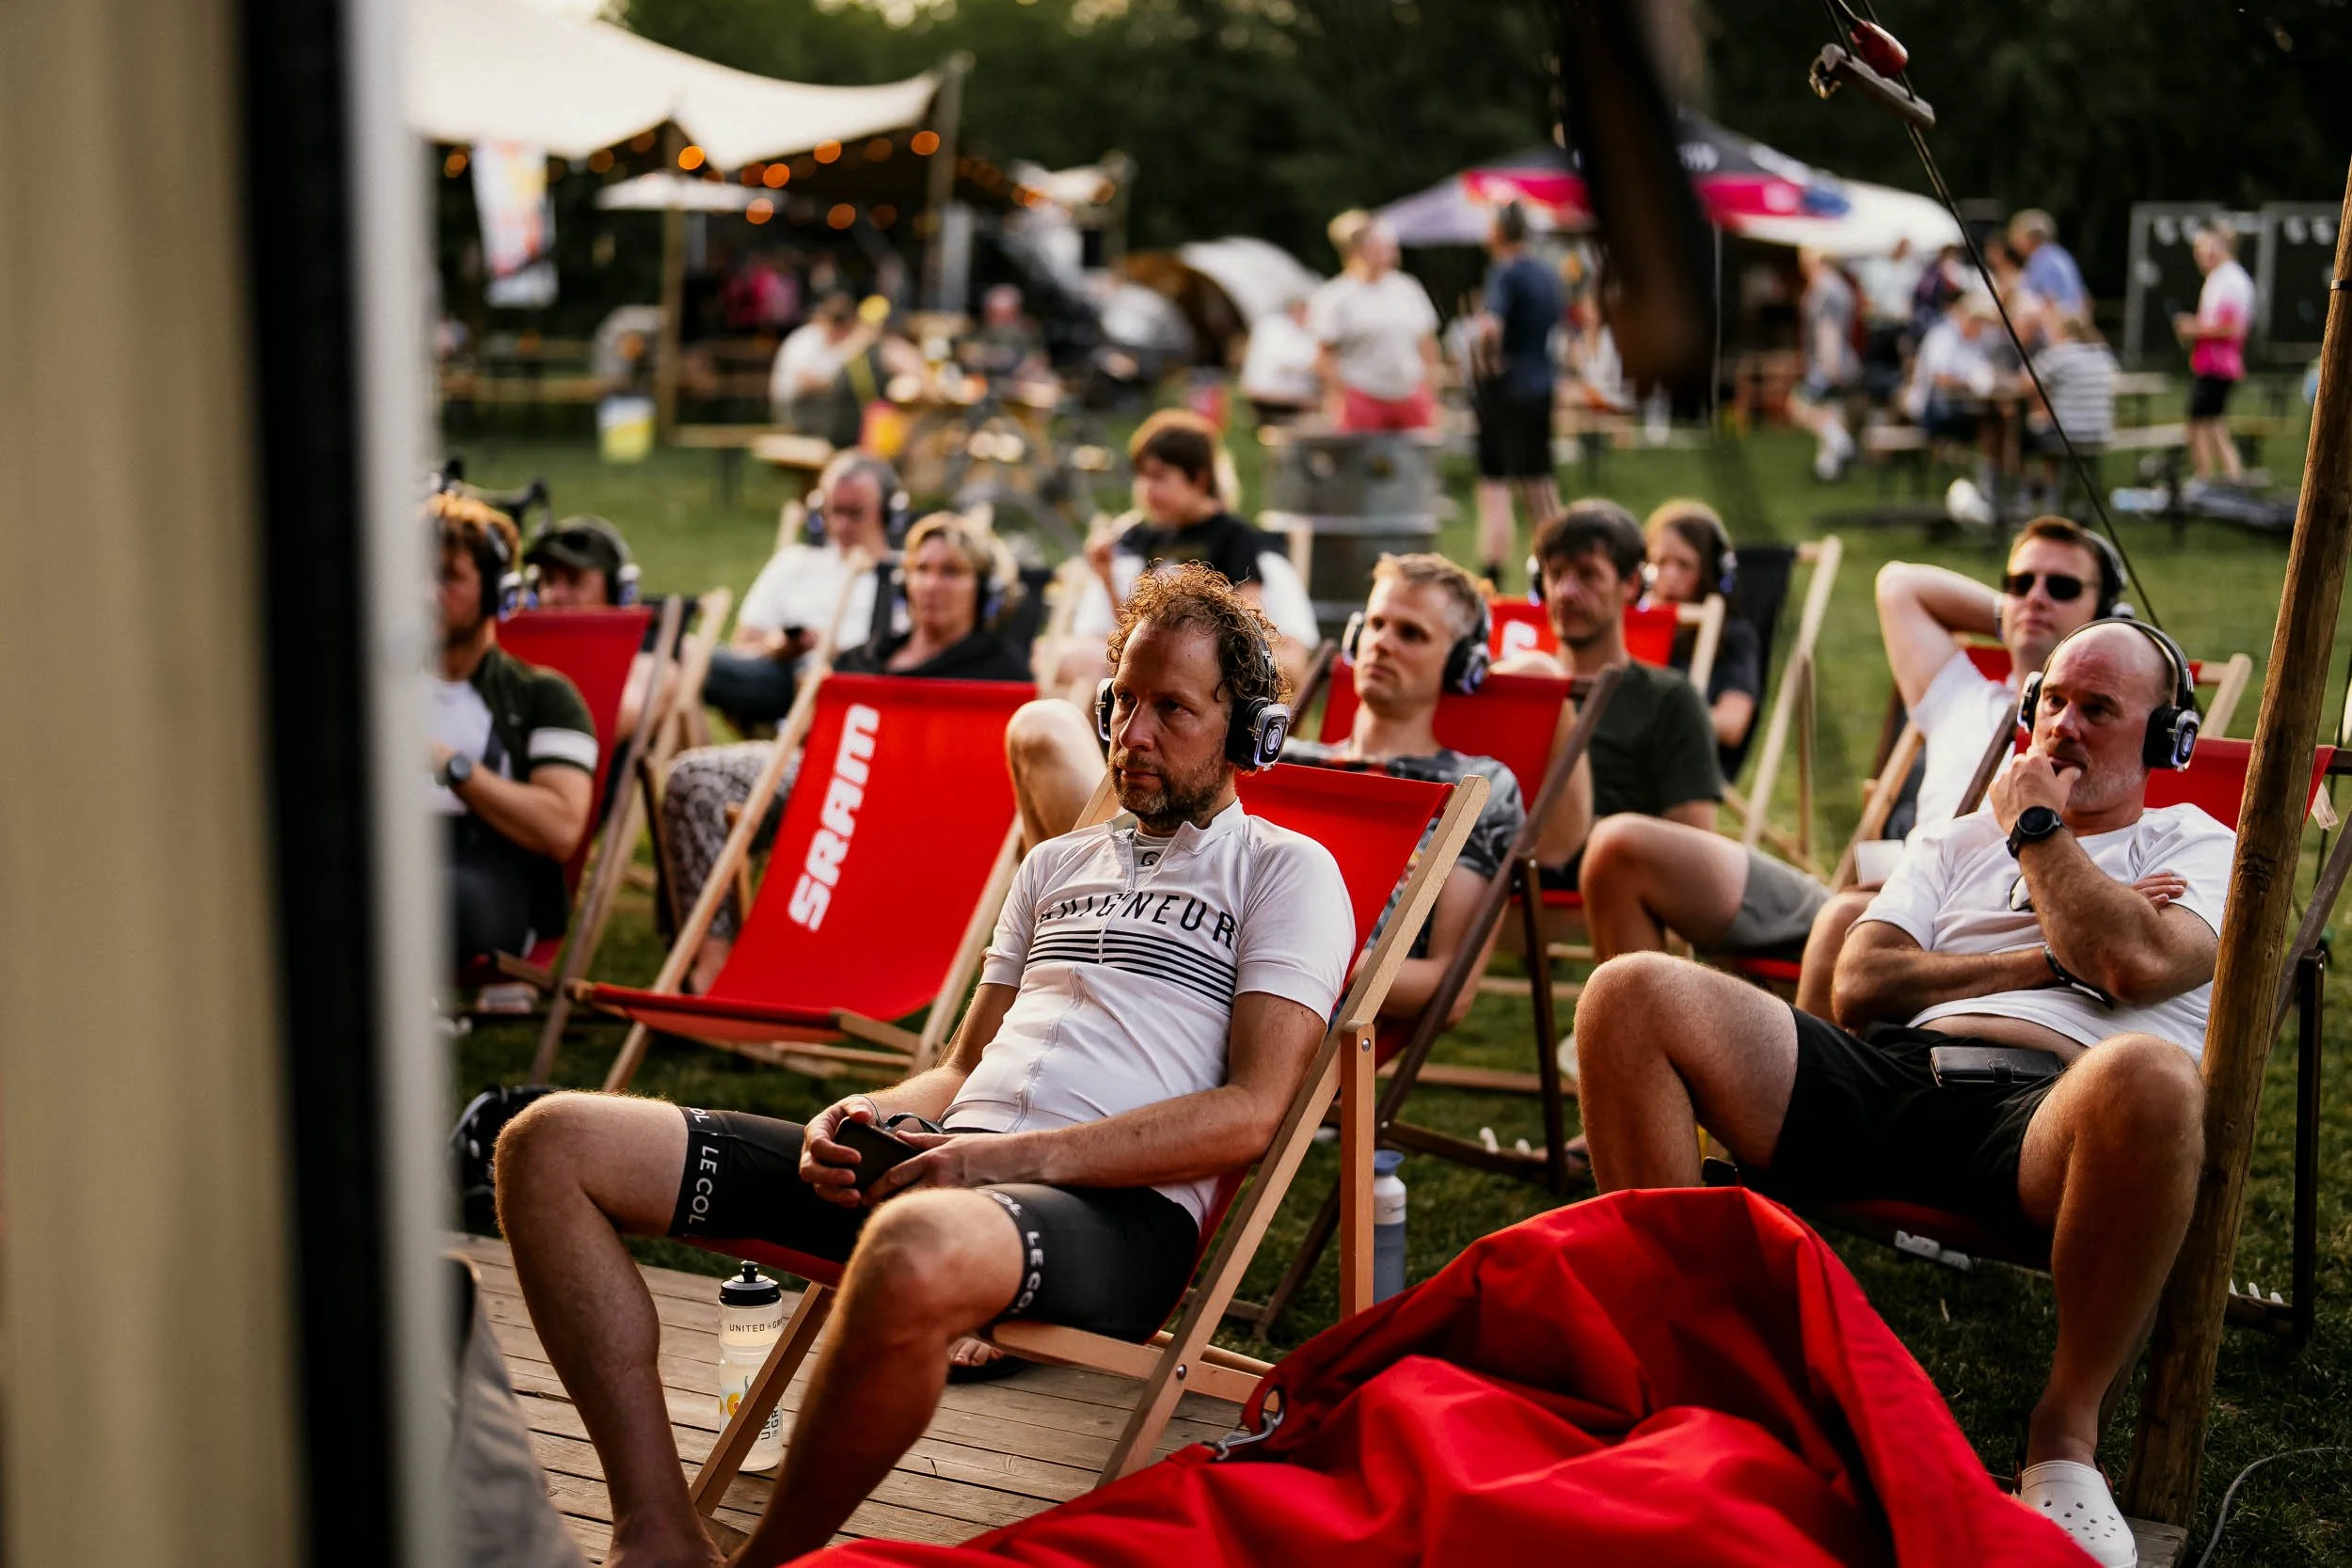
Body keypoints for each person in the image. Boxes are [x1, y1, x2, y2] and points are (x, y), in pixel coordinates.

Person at [495, 564, 1352, 1568]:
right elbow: (960, 1065)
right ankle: (657, 1529)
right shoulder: (1054, 865)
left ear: (1253, 730)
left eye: (1174, 710)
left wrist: (990, 1163)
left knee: (911, 1241)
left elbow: (1251, 1113)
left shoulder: (1285, 872)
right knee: (550, 1144)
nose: (1132, 737)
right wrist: (861, 1108)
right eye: (1121, 703)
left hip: (1114, 1215)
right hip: (944, 1167)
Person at [1575, 619, 2231, 1568]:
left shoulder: (2202, 844)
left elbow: (2131, 959)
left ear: (2167, 738)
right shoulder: (1958, 836)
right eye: (2051, 701)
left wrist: (2039, 831)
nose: (2062, 728)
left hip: (2055, 1113)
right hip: (1896, 1072)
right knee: (1629, 992)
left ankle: (2062, 1440)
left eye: (2097, 710)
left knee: (2155, 1076)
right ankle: (1680, 1364)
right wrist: (2047, 957)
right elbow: (1862, 977)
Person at [1009, 553, 1575, 1031]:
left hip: (1275, 991)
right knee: (1044, 728)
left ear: (1463, 665)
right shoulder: (1275, 753)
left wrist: (1283, 956)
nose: (1382, 644)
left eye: (1412, 634)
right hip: (1166, 924)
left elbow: (1448, 988)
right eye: (1374, 625)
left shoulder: (1477, 785)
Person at [661, 513, 1029, 995]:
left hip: (901, 805)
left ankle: (732, 976)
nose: (931, 584)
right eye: (921, 569)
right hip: (826, 782)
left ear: (985, 590)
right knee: (695, 777)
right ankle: (709, 966)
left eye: (952, 572)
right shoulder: (867, 654)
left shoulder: (999, 669)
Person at [1793, 516, 2116, 1016]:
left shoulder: (2103, 730)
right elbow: (1898, 584)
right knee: (1848, 921)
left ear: (2105, 612)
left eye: (2063, 586)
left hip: (2011, 915)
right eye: (2020, 582)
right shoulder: (1962, 694)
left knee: (1844, 920)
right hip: (1919, 897)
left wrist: (2093, 641)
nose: (2036, 595)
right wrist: (2019, 615)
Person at [427, 493, 597, 969]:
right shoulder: (378, 689)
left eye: (447, 577)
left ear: (497, 593)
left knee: (423, 899)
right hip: (392, 847)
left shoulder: (542, 697)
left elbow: (562, 828)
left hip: (488, 866)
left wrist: (452, 767)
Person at [704, 453, 901, 731]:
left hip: (856, 696)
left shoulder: (909, 579)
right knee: (688, 657)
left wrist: (838, 653)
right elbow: (742, 649)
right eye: (835, 511)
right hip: (779, 681)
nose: (842, 526)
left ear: (889, 514)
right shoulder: (795, 562)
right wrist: (777, 646)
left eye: (855, 513)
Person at [1471, 202, 1564, 589]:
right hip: (1541, 383)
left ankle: (1491, 577)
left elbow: (1491, 328)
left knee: (1495, 486)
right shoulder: (1547, 273)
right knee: (1539, 481)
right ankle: (1558, 562)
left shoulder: (1504, 273)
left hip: (1506, 390)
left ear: (1498, 232)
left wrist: (1488, 367)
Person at [524, 513, 677, 742]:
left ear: (617, 594)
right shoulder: (514, 658)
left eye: (574, 581)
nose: (554, 595)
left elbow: (610, 721)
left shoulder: (648, 671)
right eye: (547, 580)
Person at [1643, 499, 1761, 778]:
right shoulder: (1632, 625)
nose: (1669, 576)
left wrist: (1657, 717)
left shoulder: (1734, 637)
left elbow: (1732, 725)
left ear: (1712, 573)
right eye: (1660, 562)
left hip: (1688, 766)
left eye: (1684, 565)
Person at [1306, 214, 1440, 433]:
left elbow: (1427, 341)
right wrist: (1342, 396)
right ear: (1355, 251)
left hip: (1409, 394)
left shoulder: (1407, 288)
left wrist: (1429, 388)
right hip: (1363, 396)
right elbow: (1324, 354)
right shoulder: (1335, 296)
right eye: (1377, 244)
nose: (1387, 250)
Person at [2175, 223, 2255, 483]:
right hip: (2216, 363)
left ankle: (2205, 479)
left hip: (2217, 364)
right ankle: (2231, 477)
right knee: (2213, 424)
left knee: (2199, 424)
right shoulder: (2224, 278)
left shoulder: (2229, 280)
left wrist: (2193, 329)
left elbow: (2231, 328)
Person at [1788, 248, 1861, 480]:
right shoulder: (1840, 286)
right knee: (1831, 411)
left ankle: (1842, 443)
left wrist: (1830, 364)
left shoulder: (1824, 289)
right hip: (1843, 358)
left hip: (1828, 361)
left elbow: (1827, 330)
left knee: (1798, 405)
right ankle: (1827, 468)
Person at [770, 291, 869, 446]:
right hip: (797, 407)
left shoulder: (842, 344)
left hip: (821, 407)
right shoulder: (806, 339)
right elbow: (805, 383)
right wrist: (836, 384)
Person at [1240, 298, 1322, 424]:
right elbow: (1288, 359)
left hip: (1266, 393)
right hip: (1275, 396)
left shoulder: (1270, 325)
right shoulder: (1279, 328)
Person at [2008, 209, 2089, 324]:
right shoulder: (2060, 254)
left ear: (2030, 237)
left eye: (2016, 233)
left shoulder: (2042, 258)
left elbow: (2049, 300)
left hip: (2061, 325)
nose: (2013, 239)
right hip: (2073, 322)